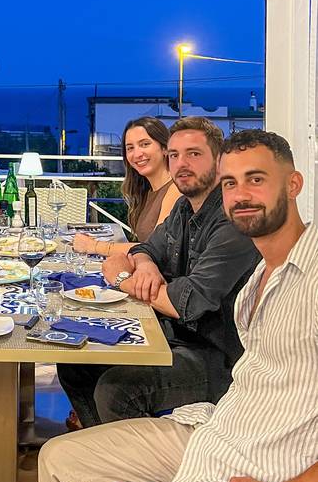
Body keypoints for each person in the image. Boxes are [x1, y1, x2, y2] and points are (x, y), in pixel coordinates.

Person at [39, 129, 318, 482]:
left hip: (272, 476)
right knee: (59, 462)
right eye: (231, 183)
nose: (241, 194)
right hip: (217, 435)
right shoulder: (261, 277)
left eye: (256, 179)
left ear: (293, 184)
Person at [57, 117, 260, 427]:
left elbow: (184, 303)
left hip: (219, 356)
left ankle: (136, 457)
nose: (181, 164)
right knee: (75, 364)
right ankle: (105, 448)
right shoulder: (184, 208)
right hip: (175, 335)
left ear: (219, 162)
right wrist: (147, 266)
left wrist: (124, 280)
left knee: (116, 392)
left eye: (194, 154)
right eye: (175, 155)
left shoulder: (232, 222)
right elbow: (144, 249)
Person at [74, 117, 181, 254]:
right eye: (130, 148)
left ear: (165, 148)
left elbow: (156, 249)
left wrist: (94, 246)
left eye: (145, 144)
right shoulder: (147, 190)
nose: (137, 154)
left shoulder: (175, 190)